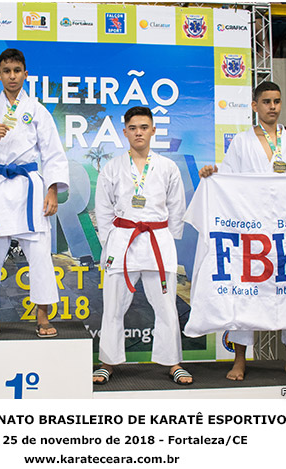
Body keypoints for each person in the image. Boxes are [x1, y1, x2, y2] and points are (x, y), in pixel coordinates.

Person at [199, 81, 286, 381]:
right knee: (245, 289)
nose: (273, 106)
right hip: (252, 226)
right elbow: (229, 176)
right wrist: (213, 172)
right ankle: (239, 360)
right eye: (266, 101)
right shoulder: (242, 141)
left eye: (277, 101)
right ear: (254, 106)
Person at [0, 48, 69, 339]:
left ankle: (42, 314)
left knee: (39, 252)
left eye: (17, 71)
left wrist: (52, 190)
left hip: (28, 186)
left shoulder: (36, 110)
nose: (12, 76)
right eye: (7, 71)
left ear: (25, 74)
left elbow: (53, 153)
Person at [92, 106, 192, 385]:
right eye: (133, 128)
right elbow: (103, 209)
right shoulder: (112, 167)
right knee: (113, 306)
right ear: (125, 132)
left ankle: (173, 363)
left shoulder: (167, 167)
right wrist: (111, 241)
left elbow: (177, 207)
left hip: (157, 241)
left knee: (166, 306)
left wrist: (169, 239)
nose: (139, 133)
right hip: (123, 241)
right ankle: (107, 362)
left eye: (144, 127)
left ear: (153, 130)